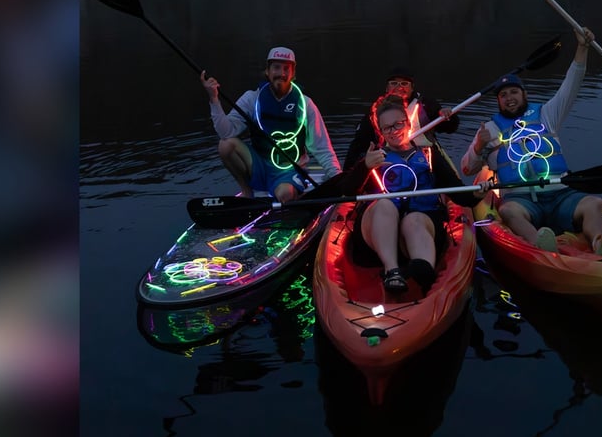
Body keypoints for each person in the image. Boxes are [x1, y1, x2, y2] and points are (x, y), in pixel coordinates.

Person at [460, 28, 602, 257]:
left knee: (594, 203)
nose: (509, 98)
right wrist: (479, 146)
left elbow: (572, 85)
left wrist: (582, 47)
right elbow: (467, 168)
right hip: (521, 200)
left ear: (524, 94)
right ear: (498, 101)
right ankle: (540, 243)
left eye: (513, 92)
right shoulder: (489, 129)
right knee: (508, 211)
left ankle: (600, 243)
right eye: (503, 95)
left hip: (561, 195)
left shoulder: (547, 115)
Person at [342, 93, 489, 294]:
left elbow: (459, 194)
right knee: (385, 203)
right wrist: (364, 167)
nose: (394, 131)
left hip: (420, 227)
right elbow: (348, 192)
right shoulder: (373, 158)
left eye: (398, 124)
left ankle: (423, 268)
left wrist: (479, 194)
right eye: (387, 128)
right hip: (379, 234)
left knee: (414, 219)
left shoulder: (428, 154)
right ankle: (392, 271)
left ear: (408, 124)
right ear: (381, 131)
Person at [200, 46, 342, 202]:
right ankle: (247, 192)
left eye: (286, 69)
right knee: (225, 145)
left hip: (288, 170)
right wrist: (214, 99)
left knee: (285, 194)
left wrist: (339, 180)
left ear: (293, 74)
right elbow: (225, 132)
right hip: (259, 165)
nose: (281, 73)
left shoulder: (305, 104)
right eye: (276, 68)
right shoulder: (252, 98)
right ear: (267, 71)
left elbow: (323, 149)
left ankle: (294, 193)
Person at [342, 66, 460, 170]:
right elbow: (358, 145)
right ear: (387, 87)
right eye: (394, 83)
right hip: (389, 161)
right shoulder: (376, 111)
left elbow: (450, 128)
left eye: (404, 83)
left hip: (427, 159)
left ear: (412, 88)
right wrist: (349, 171)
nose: (399, 87)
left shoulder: (427, 105)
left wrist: (448, 116)